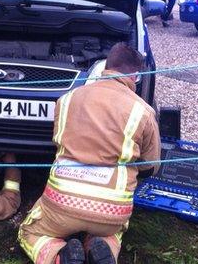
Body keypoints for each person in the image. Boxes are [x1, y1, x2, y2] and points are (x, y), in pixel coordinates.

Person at [18, 43, 161, 264]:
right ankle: (102, 248)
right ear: (135, 75)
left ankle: (59, 257)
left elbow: (58, 142)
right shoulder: (143, 111)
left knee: (29, 232)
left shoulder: (67, 99)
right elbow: (150, 166)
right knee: (113, 233)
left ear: (106, 67)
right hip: (111, 209)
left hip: (62, 202)